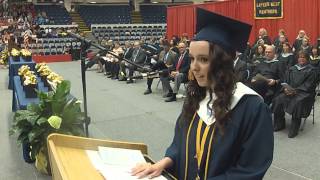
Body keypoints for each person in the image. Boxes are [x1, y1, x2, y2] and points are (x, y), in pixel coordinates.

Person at [131, 8, 273, 179]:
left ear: (222, 62)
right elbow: (179, 144)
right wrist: (163, 162)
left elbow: (250, 170)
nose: (194, 67)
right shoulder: (195, 97)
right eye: (192, 58)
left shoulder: (252, 107)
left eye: (204, 59)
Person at [272, 50, 317, 138]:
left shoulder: (311, 70)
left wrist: (295, 91)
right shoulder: (292, 69)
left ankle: (294, 127)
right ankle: (280, 123)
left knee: (298, 102)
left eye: (303, 57)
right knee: (278, 99)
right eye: (300, 57)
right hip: (289, 91)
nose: (301, 59)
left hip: (304, 93)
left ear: (307, 59)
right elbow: (286, 81)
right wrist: (285, 89)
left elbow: (309, 85)